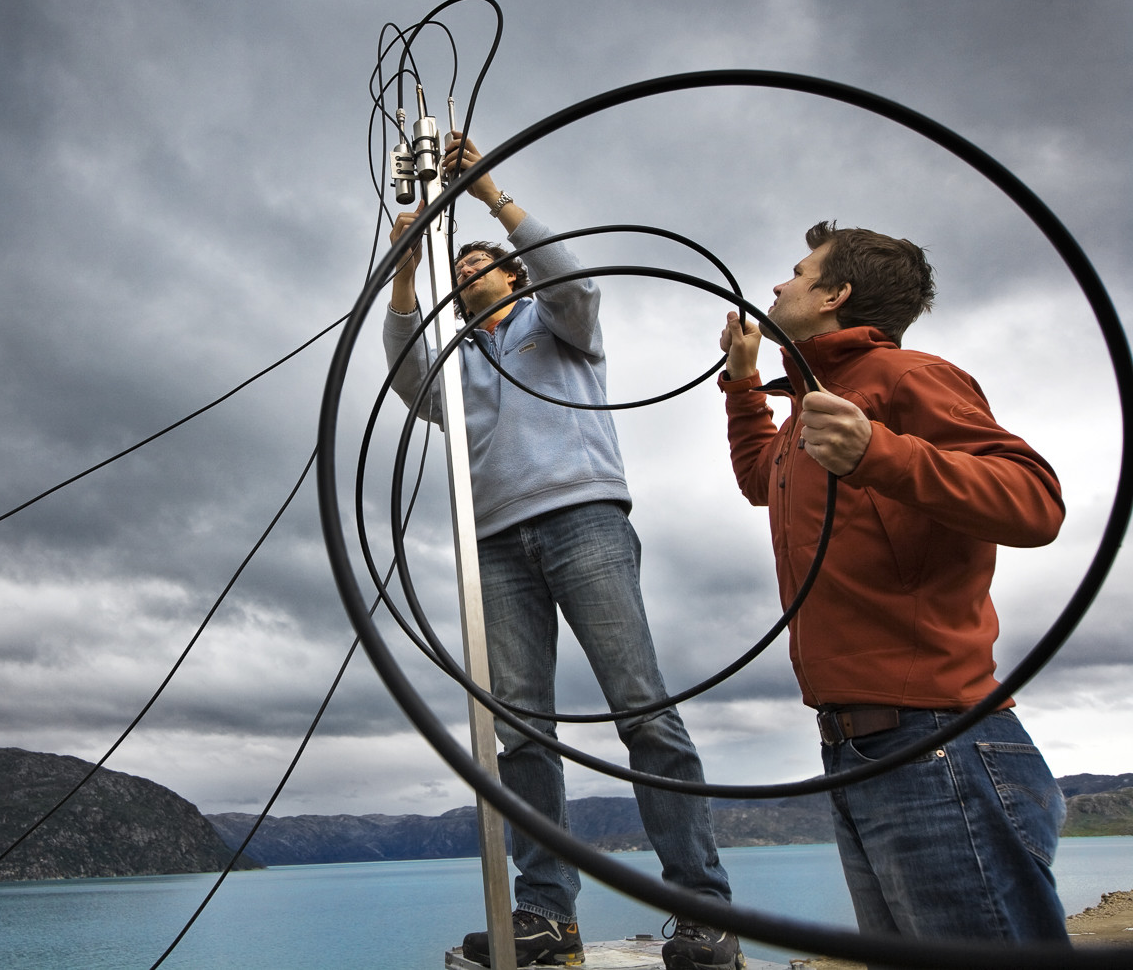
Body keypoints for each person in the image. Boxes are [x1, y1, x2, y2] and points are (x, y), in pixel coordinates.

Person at [385, 133, 740, 970]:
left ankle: (701, 908)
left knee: (643, 708)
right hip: (496, 546)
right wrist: (406, 269)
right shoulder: (459, 365)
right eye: (459, 270)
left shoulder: (559, 324)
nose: (469, 274)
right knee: (520, 734)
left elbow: (574, 280)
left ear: (513, 274)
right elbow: (406, 374)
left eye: (485, 265)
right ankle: (549, 915)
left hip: (584, 521)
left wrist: (489, 196)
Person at [717, 221, 1070, 949]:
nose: (778, 285)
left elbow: (1035, 501)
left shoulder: (906, 379)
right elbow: (763, 479)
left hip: (939, 744)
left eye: (798, 271)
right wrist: (745, 385)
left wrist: (880, 451)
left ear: (836, 294)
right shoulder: (813, 405)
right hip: (860, 753)